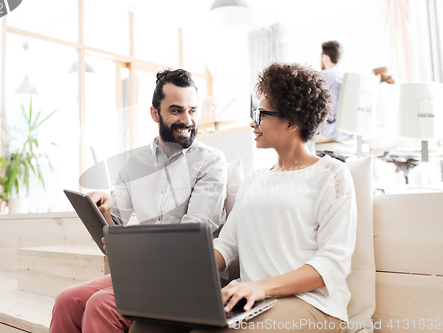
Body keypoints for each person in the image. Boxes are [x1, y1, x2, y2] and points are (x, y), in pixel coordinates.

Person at [130, 62, 357, 333]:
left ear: (292, 121)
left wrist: (260, 286)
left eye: (261, 114)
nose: (253, 122)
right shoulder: (254, 181)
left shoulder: (331, 174)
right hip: (252, 300)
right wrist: (175, 266)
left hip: (312, 304)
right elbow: (225, 246)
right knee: (148, 323)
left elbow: (332, 263)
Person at [49, 69, 228, 333]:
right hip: (144, 273)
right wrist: (106, 211)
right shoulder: (134, 164)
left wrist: (134, 248)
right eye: (176, 110)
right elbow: (114, 230)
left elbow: (189, 241)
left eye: (192, 110)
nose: (187, 119)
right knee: (67, 300)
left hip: (187, 278)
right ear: (155, 113)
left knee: (101, 305)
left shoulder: (210, 162)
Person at [316, 40, 353, 143]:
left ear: (325, 58)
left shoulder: (323, 76)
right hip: (348, 133)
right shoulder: (345, 76)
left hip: (330, 133)